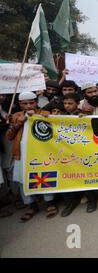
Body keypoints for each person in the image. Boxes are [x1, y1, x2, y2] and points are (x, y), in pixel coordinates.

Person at [6, 92, 57, 221]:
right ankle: (31, 205)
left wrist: (46, 117)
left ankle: (49, 203)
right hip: (21, 154)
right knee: (23, 180)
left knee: (44, 176)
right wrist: (19, 123)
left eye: (31, 102)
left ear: (36, 102)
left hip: (40, 153)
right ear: (20, 104)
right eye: (25, 103)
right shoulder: (16, 116)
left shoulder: (44, 113)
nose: (29, 106)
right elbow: (9, 136)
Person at [59, 93, 98, 217]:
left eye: (70, 103)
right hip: (66, 152)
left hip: (82, 152)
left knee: (84, 175)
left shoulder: (85, 114)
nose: (67, 106)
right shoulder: (60, 117)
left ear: (77, 103)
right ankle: (70, 203)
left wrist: (85, 117)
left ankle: (92, 201)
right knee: (65, 177)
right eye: (65, 103)